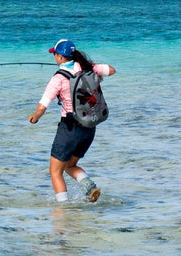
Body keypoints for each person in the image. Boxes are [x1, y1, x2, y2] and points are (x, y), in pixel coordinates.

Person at [28, 39, 116, 202]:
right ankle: (89, 186)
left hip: (69, 129)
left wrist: (34, 118)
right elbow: (111, 70)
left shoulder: (58, 78)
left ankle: (63, 209)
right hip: (89, 126)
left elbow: (42, 107)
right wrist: (90, 65)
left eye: (55, 54)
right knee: (69, 165)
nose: (54, 57)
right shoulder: (89, 67)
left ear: (61, 57)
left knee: (55, 171)